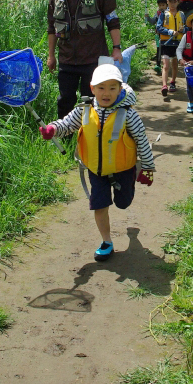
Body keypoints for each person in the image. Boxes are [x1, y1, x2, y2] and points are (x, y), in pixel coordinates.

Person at [40, 64, 155, 261]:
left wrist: (147, 167)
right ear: (92, 88)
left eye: (112, 88)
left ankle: (129, 224)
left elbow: (142, 140)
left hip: (123, 169)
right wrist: (52, 129)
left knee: (123, 203)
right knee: (99, 205)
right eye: (101, 88)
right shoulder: (84, 110)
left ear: (120, 89)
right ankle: (106, 242)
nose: (106, 93)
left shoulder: (128, 115)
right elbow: (66, 124)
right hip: (96, 170)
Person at [47, 0, 122, 119]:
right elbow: (52, 27)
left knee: (89, 101)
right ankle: (65, 139)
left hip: (92, 59)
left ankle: (88, 138)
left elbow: (113, 20)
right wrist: (51, 56)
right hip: (66, 60)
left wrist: (116, 48)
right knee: (65, 100)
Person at [156, 0, 185, 96]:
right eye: (170, 1)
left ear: (178, 2)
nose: (172, 4)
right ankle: (164, 85)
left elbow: (186, 27)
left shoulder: (181, 15)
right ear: (167, 2)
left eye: (174, 1)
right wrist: (170, 32)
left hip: (177, 43)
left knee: (174, 64)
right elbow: (158, 27)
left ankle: (172, 82)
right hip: (166, 42)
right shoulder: (163, 14)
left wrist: (183, 30)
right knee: (166, 65)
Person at [145, 0, 168, 75]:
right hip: (158, 35)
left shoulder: (169, 14)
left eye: (163, 5)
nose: (161, 7)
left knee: (166, 51)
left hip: (167, 35)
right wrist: (147, 18)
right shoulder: (158, 13)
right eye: (160, 5)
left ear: (167, 5)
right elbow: (152, 21)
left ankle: (166, 65)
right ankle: (158, 65)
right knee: (159, 49)